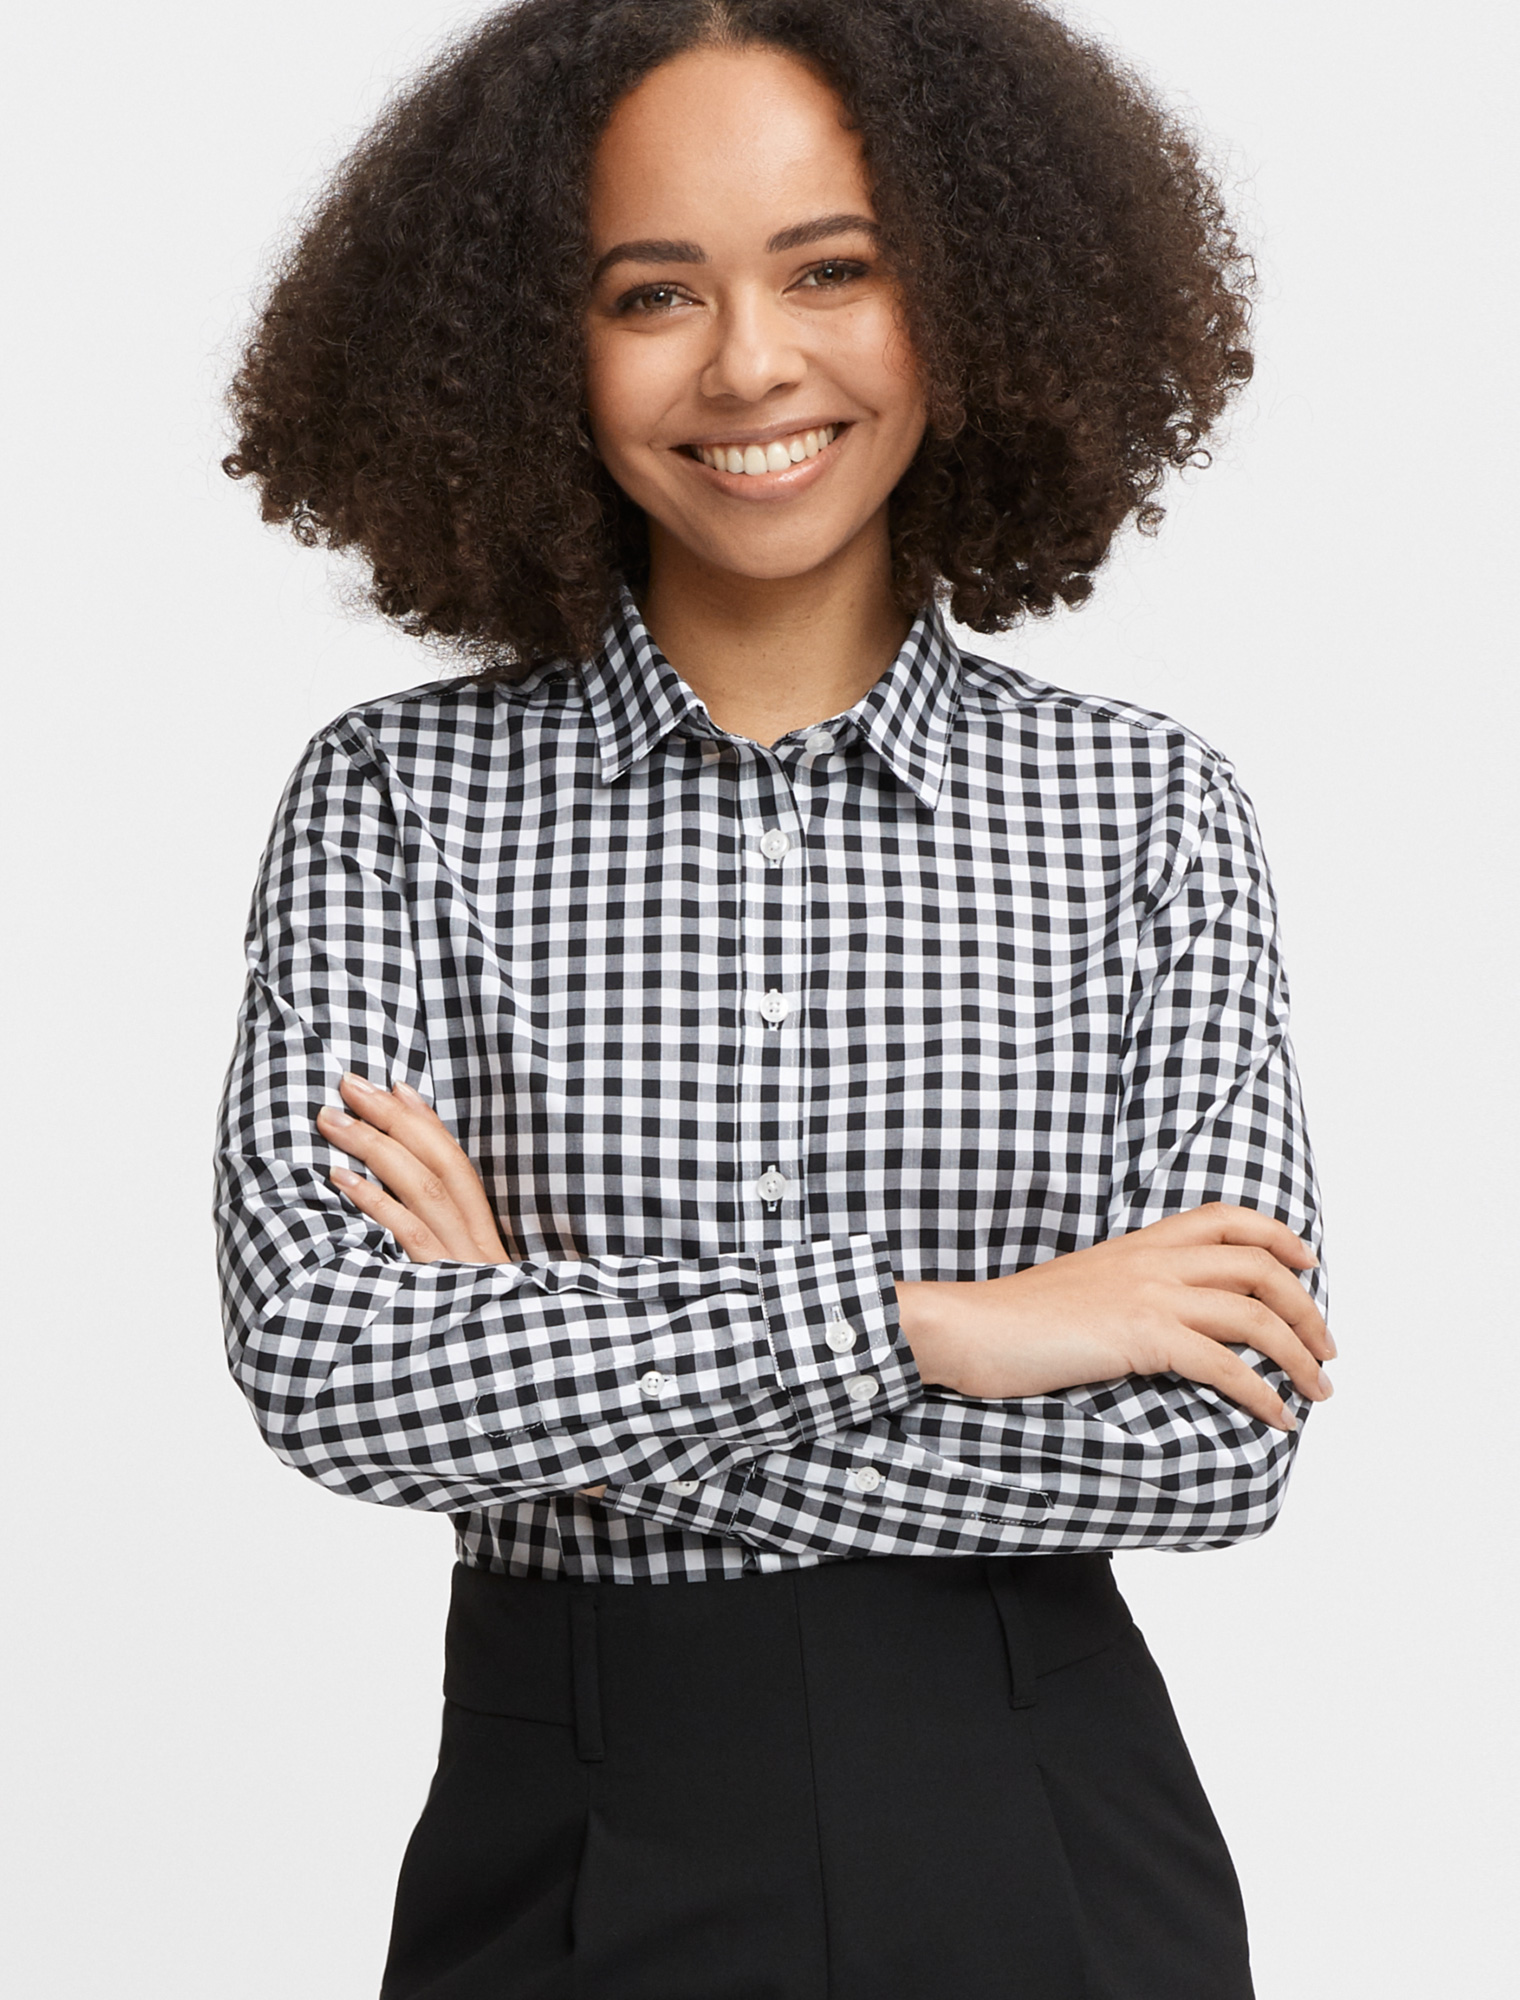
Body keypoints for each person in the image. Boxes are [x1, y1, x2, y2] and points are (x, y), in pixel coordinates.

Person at [215, 2, 1334, 1994]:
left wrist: (541, 1384)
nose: (751, 363)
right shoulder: (396, 800)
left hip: (1040, 1821)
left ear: (969, 301)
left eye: (833, 270)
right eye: (654, 291)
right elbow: (327, 1363)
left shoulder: (1142, 811)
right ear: (525, 345)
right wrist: (952, 1326)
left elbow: (1214, 1440)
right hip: (561, 1823)